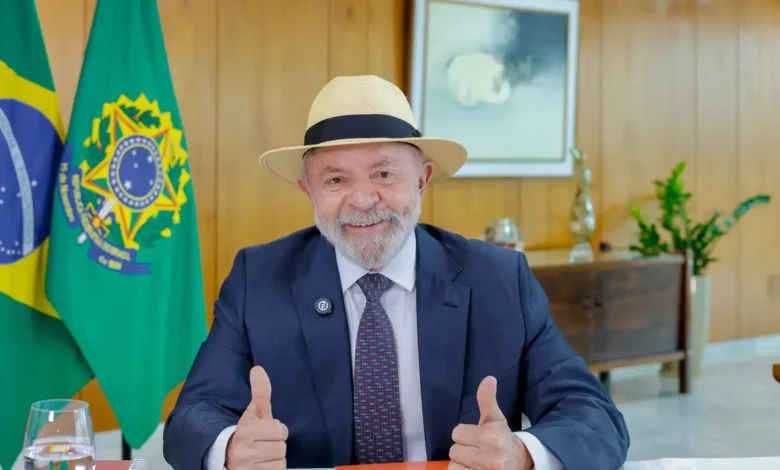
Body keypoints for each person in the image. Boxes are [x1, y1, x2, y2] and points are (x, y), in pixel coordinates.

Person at [162, 75, 630, 470]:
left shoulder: (499, 279)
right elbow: (192, 417)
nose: (363, 199)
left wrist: (523, 455)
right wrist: (230, 450)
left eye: (384, 174)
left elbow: (593, 415)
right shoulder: (259, 278)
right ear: (309, 191)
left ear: (422, 180)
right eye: (336, 179)